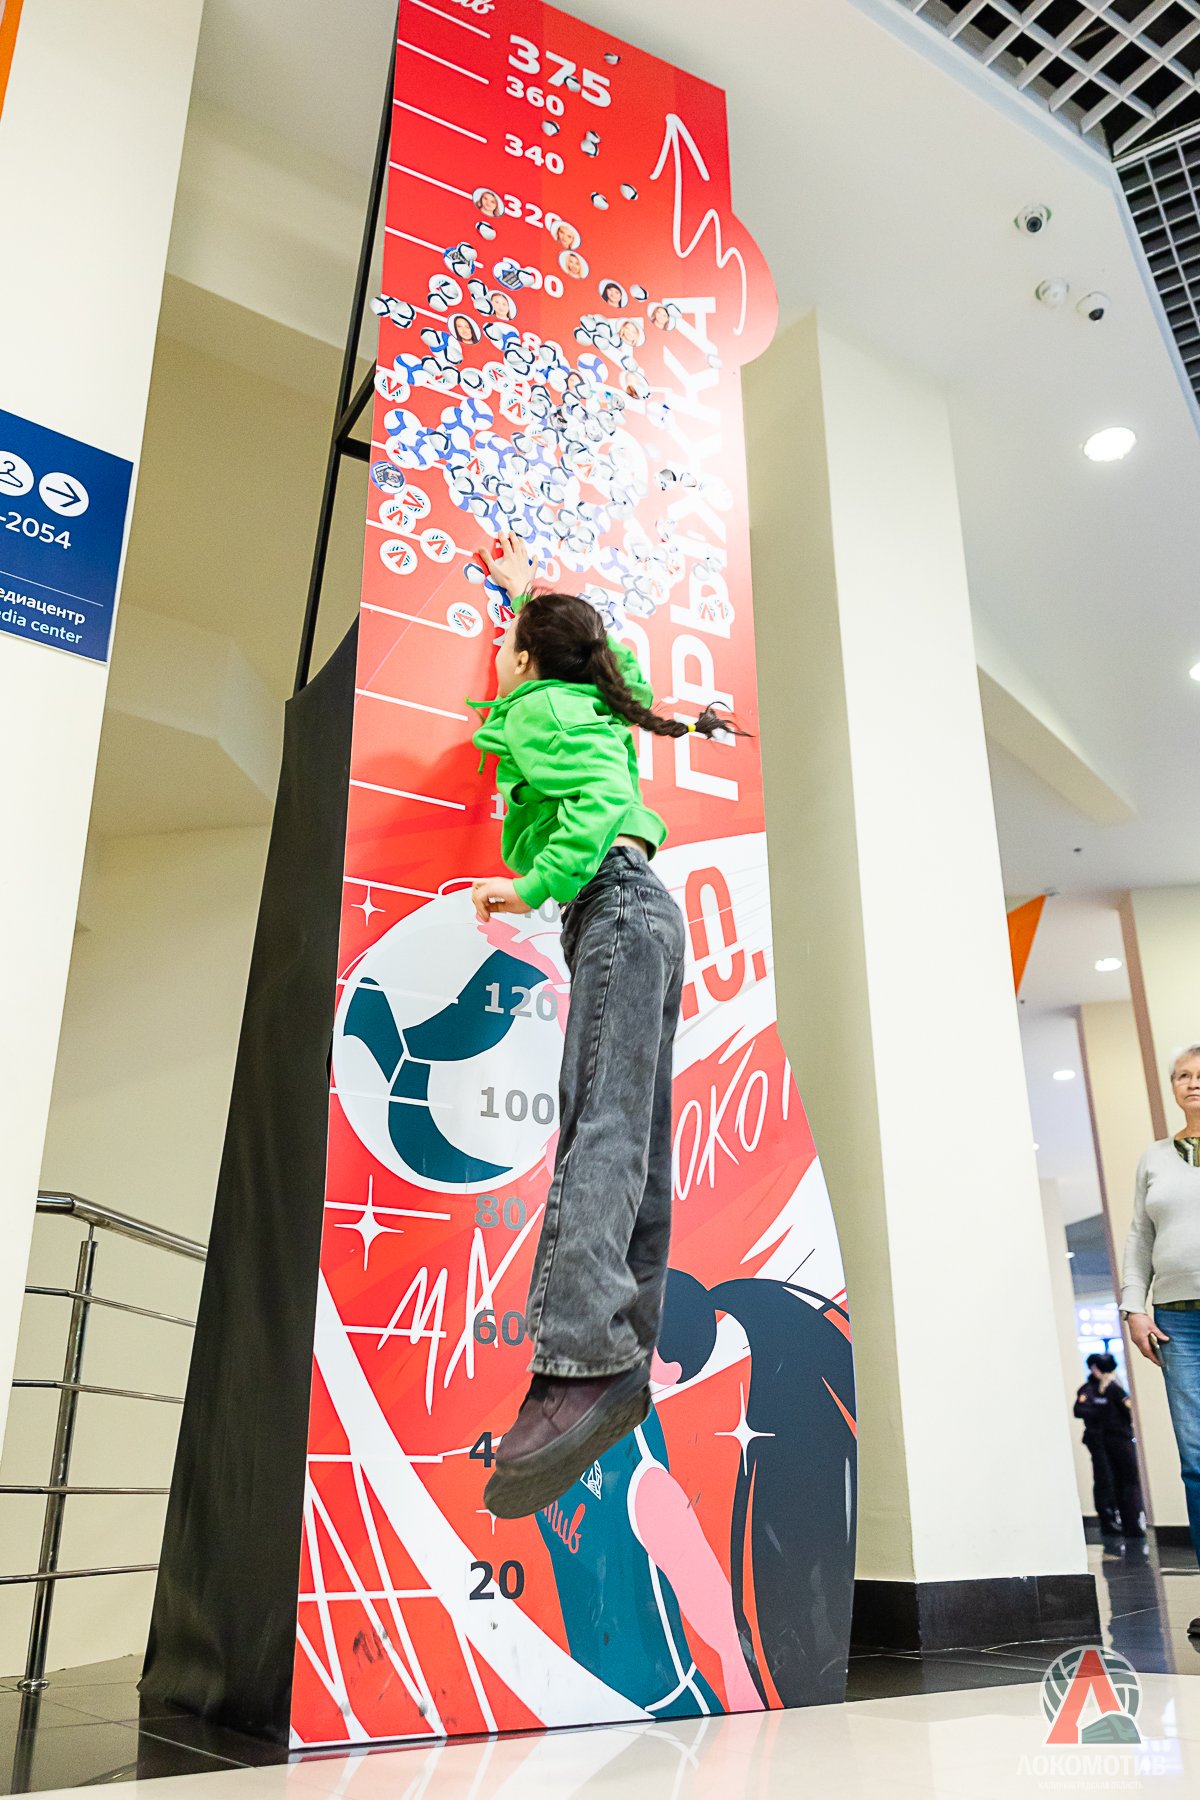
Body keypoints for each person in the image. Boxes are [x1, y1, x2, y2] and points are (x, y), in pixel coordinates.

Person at [467, 532, 736, 1520]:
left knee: (602, 1134)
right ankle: (616, 1357)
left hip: (612, 907)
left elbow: (587, 805)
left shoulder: (540, 707)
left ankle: (580, 1366)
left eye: (508, 647)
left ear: (526, 661)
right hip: (647, 910)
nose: (498, 662)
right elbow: (603, 673)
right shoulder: (591, 701)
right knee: (636, 1141)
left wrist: (527, 884)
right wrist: (529, 595)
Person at [1121, 1041, 1200, 1628]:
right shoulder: (1154, 1157)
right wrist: (1134, 1308)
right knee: (1197, 1460)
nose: (1192, 1083)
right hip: (1177, 1322)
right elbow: (1138, 1238)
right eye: (1182, 1075)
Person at [1073, 1352, 1145, 1540]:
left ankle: (1130, 1521)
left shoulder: (1115, 1388)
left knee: (1126, 1480)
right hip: (1099, 1441)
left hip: (1120, 1438)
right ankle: (1108, 1519)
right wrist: (1100, 1411)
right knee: (1105, 1479)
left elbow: (1128, 1411)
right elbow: (1079, 1410)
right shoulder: (1089, 1389)